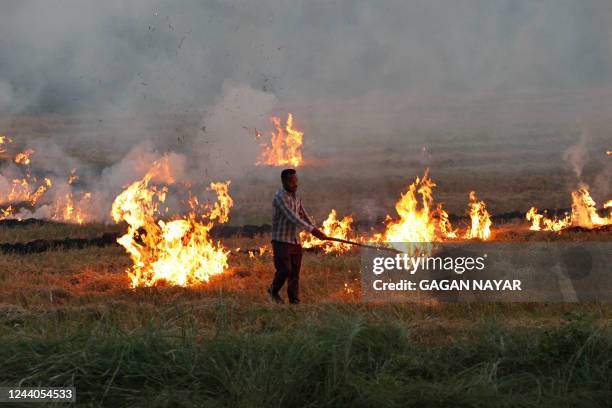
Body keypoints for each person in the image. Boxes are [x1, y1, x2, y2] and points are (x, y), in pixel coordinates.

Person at [268, 168, 327, 304]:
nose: (295, 184)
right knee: (285, 270)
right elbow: (293, 218)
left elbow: (303, 215)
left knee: (294, 274)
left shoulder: (296, 197)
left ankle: (294, 301)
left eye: (296, 181)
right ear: (284, 181)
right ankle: (273, 291)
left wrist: (316, 229)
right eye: (291, 181)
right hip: (281, 241)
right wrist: (313, 231)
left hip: (295, 241)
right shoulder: (279, 198)